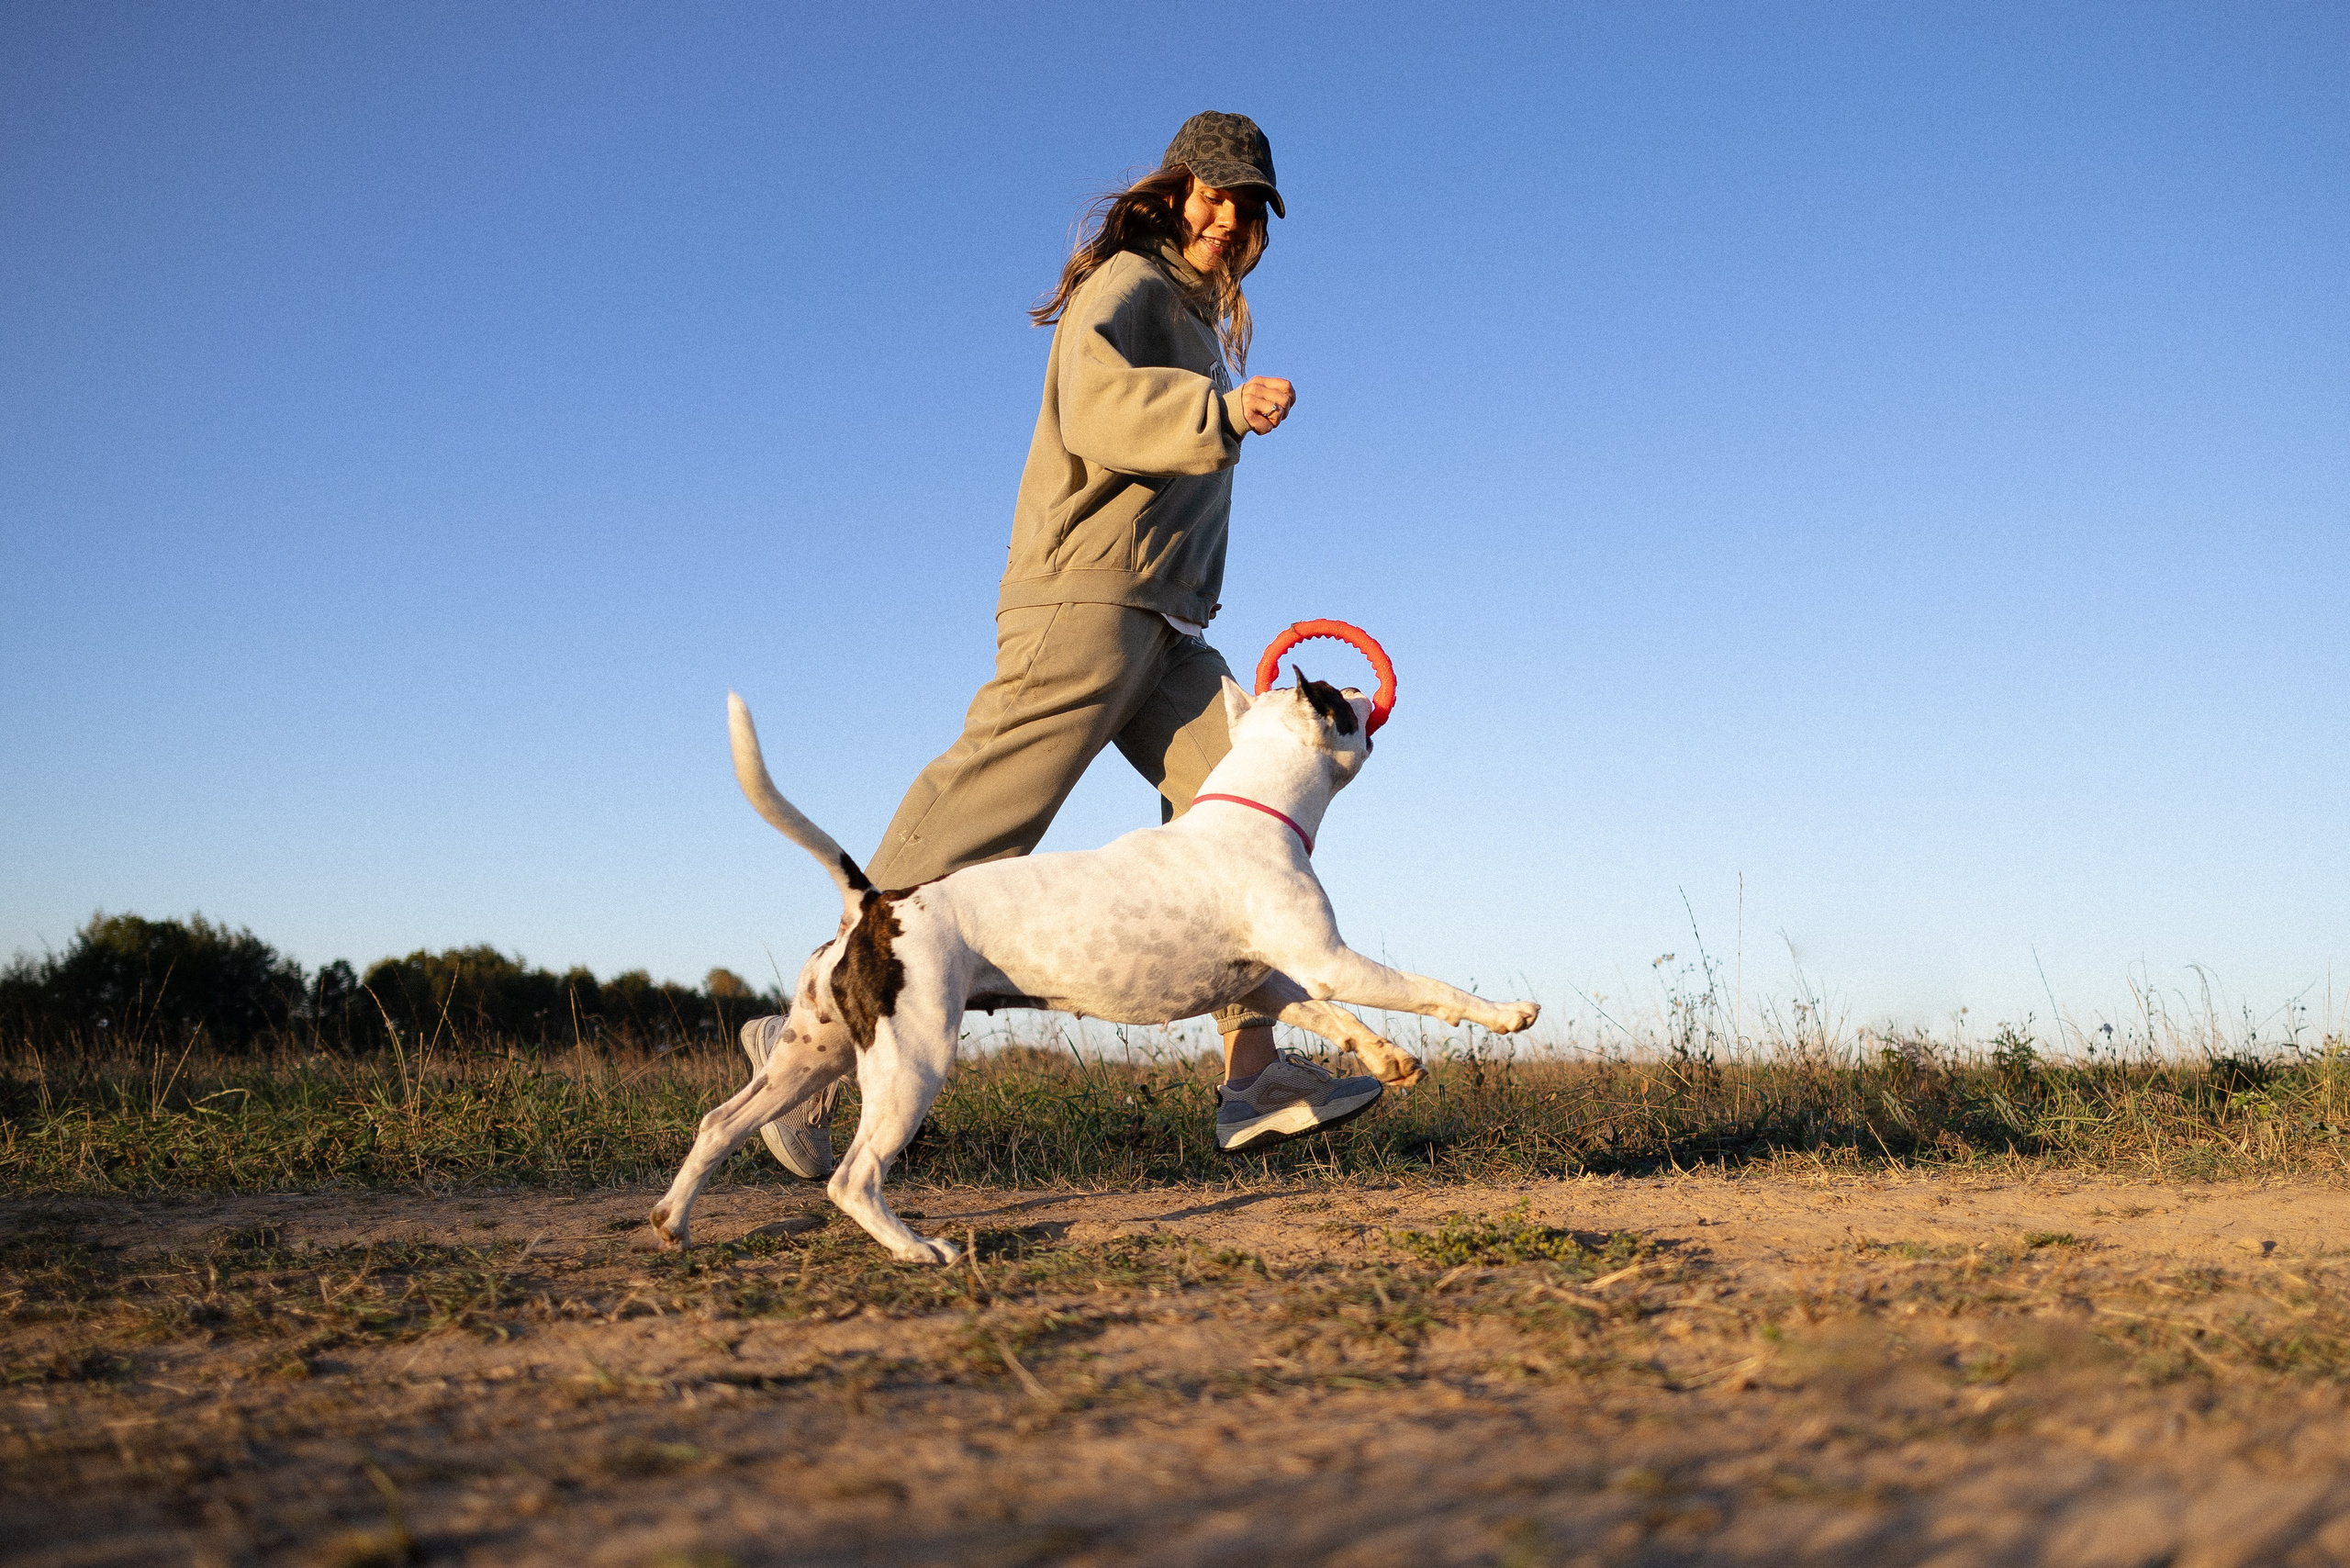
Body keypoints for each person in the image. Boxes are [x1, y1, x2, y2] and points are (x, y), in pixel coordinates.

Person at [742, 111, 1384, 1178]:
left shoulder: (1192, 310)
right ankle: (803, 1028)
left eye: (1249, 205)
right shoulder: (1127, 286)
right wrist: (1220, 412)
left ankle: (1254, 1076)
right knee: (986, 813)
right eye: (1213, 194)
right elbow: (1096, 407)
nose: (1228, 218)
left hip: (1169, 623)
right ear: (1176, 191)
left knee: (1239, 819)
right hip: (1085, 601)